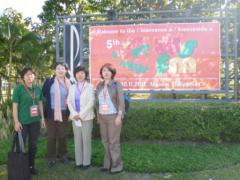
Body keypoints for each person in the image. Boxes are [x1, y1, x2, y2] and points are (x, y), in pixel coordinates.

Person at [12, 67, 45, 175]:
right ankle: (19, 167)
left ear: (34, 76)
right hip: (23, 123)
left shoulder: (38, 89)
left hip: (35, 122)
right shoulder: (18, 89)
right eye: (27, 75)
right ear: (23, 77)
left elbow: (40, 104)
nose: (30, 76)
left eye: (31, 74)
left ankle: (31, 166)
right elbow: (15, 107)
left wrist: (42, 118)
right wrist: (16, 122)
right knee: (20, 145)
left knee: (33, 145)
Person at [95, 63, 125, 174]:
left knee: (113, 142)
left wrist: (119, 115)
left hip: (113, 116)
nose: (105, 73)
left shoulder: (117, 84)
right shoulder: (99, 85)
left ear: (112, 73)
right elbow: (97, 102)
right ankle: (107, 165)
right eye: (103, 71)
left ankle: (117, 166)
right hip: (102, 117)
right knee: (105, 141)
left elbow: (121, 102)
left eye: (108, 71)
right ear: (101, 73)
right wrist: (98, 116)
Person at [42, 62, 71, 168]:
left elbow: (72, 97)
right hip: (50, 113)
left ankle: (62, 155)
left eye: (62, 68)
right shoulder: (49, 82)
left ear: (66, 71)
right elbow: (43, 95)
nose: (60, 70)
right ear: (55, 70)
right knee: (51, 136)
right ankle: (50, 157)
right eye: (58, 68)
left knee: (62, 135)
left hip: (64, 113)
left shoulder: (69, 83)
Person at [67, 66, 95, 169]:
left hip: (86, 117)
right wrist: (74, 114)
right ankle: (78, 162)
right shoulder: (72, 87)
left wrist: (81, 114)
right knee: (77, 140)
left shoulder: (90, 86)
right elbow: (69, 101)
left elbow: (91, 102)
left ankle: (86, 163)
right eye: (78, 73)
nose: (80, 75)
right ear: (75, 75)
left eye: (82, 73)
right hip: (75, 118)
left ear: (85, 75)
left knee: (86, 140)